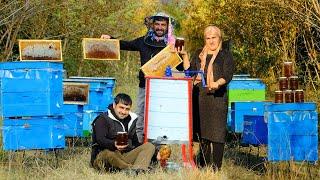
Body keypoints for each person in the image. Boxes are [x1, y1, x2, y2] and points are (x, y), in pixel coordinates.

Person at [101, 12, 176, 144]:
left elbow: (180, 67)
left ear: (167, 27)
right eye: (157, 24)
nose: (159, 27)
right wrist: (110, 39)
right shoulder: (143, 41)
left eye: (163, 24)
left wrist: (180, 53)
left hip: (163, 89)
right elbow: (126, 44)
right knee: (140, 117)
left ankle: (159, 150)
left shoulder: (172, 45)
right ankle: (140, 146)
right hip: (144, 86)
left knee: (159, 118)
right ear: (152, 25)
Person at [180, 26, 235, 170]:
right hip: (199, 98)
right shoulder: (199, 53)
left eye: (214, 38)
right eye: (208, 38)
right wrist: (185, 55)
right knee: (202, 134)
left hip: (217, 98)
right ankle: (203, 167)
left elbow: (228, 75)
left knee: (217, 134)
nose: (211, 41)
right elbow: (189, 72)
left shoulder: (226, 55)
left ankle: (216, 169)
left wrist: (217, 83)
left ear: (219, 38)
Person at [90, 93, 155, 173]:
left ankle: (137, 170)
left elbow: (136, 144)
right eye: (121, 108)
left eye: (127, 109)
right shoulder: (103, 119)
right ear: (114, 105)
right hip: (103, 158)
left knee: (149, 146)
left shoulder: (132, 120)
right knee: (109, 153)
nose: (124, 112)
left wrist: (156, 154)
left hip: (124, 156)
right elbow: (100, 140)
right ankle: (134, 169)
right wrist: (114, 144)